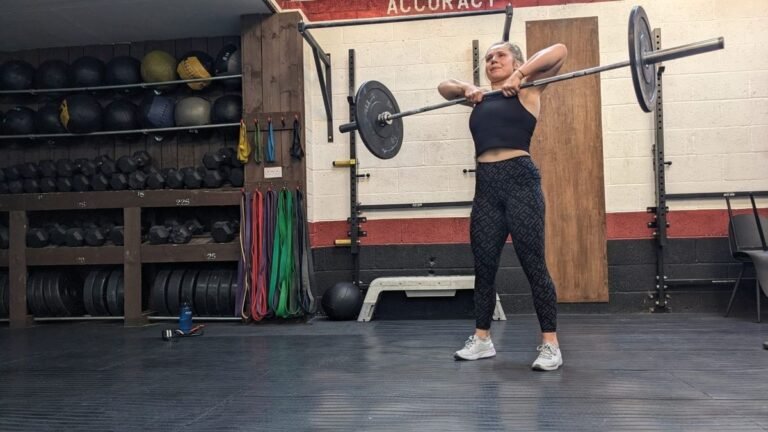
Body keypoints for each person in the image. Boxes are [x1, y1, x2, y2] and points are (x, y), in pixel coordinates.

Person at [437, 41, 568, 371]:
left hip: (520, 183)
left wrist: (520, 75)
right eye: (488, 58)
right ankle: (482, 339)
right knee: (483, 268)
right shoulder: (481, 98)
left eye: (500, 56)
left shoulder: (529, 89)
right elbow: (443, 87)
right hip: (486, 187)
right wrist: (466, 88)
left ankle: (550, 345)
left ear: (517, 62)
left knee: (534, 266)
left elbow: (560, 51)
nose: (493, 60)